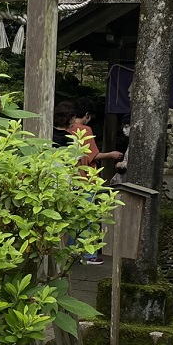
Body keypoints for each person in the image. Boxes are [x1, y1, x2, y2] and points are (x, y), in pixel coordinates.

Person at [53, 100, 123, 264]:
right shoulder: (82, 132)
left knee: (65, 219)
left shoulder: (48, 134)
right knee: (86, 218)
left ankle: (65, 252)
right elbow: (89, 157)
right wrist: (111, 154)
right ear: (85, 115)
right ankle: (87, 254)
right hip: (83, 180)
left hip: (56, 182)